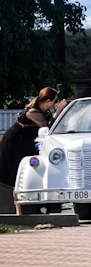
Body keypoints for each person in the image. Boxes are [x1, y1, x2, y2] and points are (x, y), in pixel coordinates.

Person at [0, 87, 67, 215]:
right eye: (55, 101)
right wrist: (58, 111)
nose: (55, 104)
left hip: (26, 143)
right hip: (15, 144)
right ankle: (18, 211)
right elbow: (47, 127)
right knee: (16, 175)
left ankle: (31, 208)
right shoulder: (33, 112)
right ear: (48, 100)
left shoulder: (43, 111)